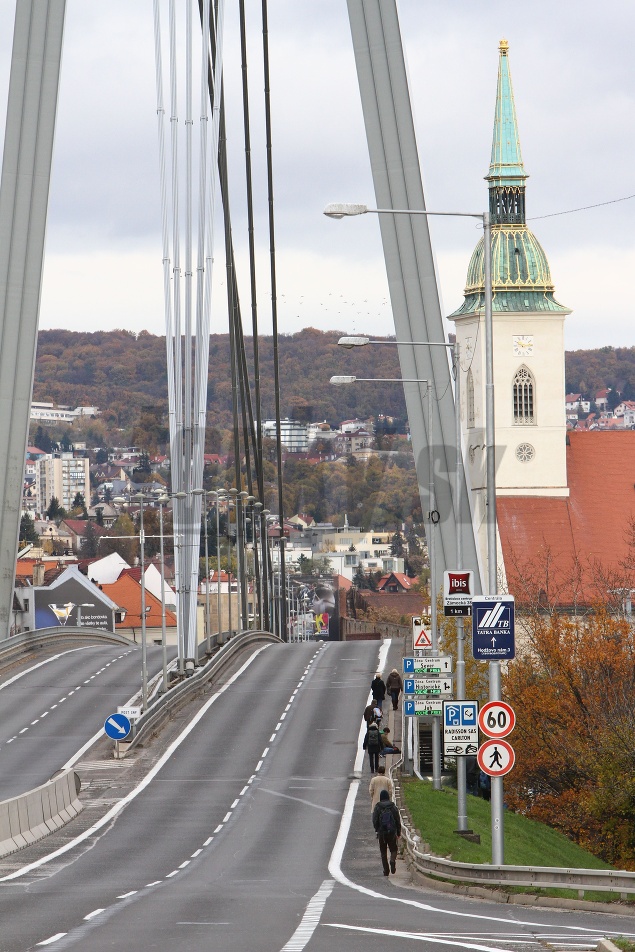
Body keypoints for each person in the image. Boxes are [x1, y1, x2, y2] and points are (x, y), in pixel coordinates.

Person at [372, 789, 401, 876]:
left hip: (382, 833)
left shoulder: (378, 807)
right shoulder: (393, 807)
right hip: (392, 832)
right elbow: (397, 821)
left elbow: (375, 820)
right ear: (388, 797)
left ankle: (386, 871)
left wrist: (377, 829)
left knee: (383, 852)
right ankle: (392, 860)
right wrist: (398, 832)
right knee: (393, 849)